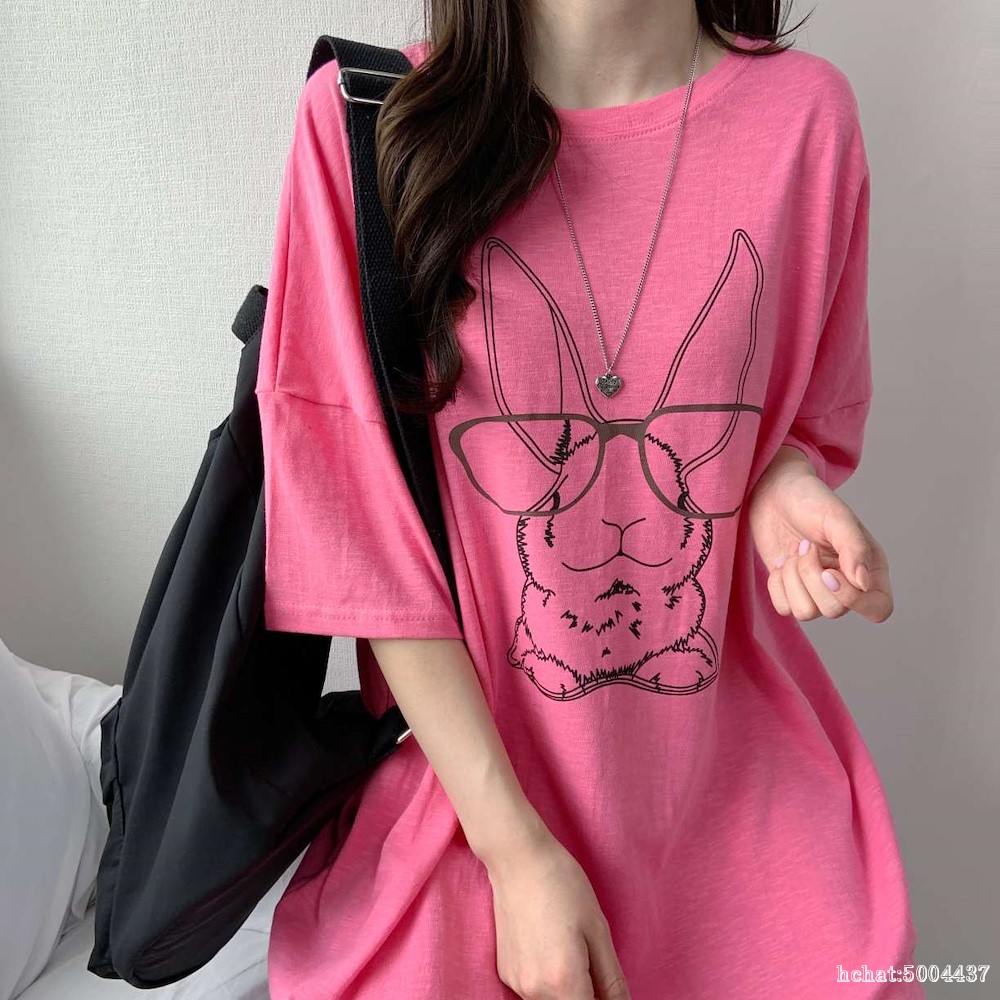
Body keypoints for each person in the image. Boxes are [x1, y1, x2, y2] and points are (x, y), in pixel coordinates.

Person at [254, 2, 922, 997]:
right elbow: (354, 538)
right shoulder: (372, 121)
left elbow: (804, 415)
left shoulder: (805, 118)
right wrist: (515, 853)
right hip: (469, 814)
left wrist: (781, 482)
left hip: (744, 815)